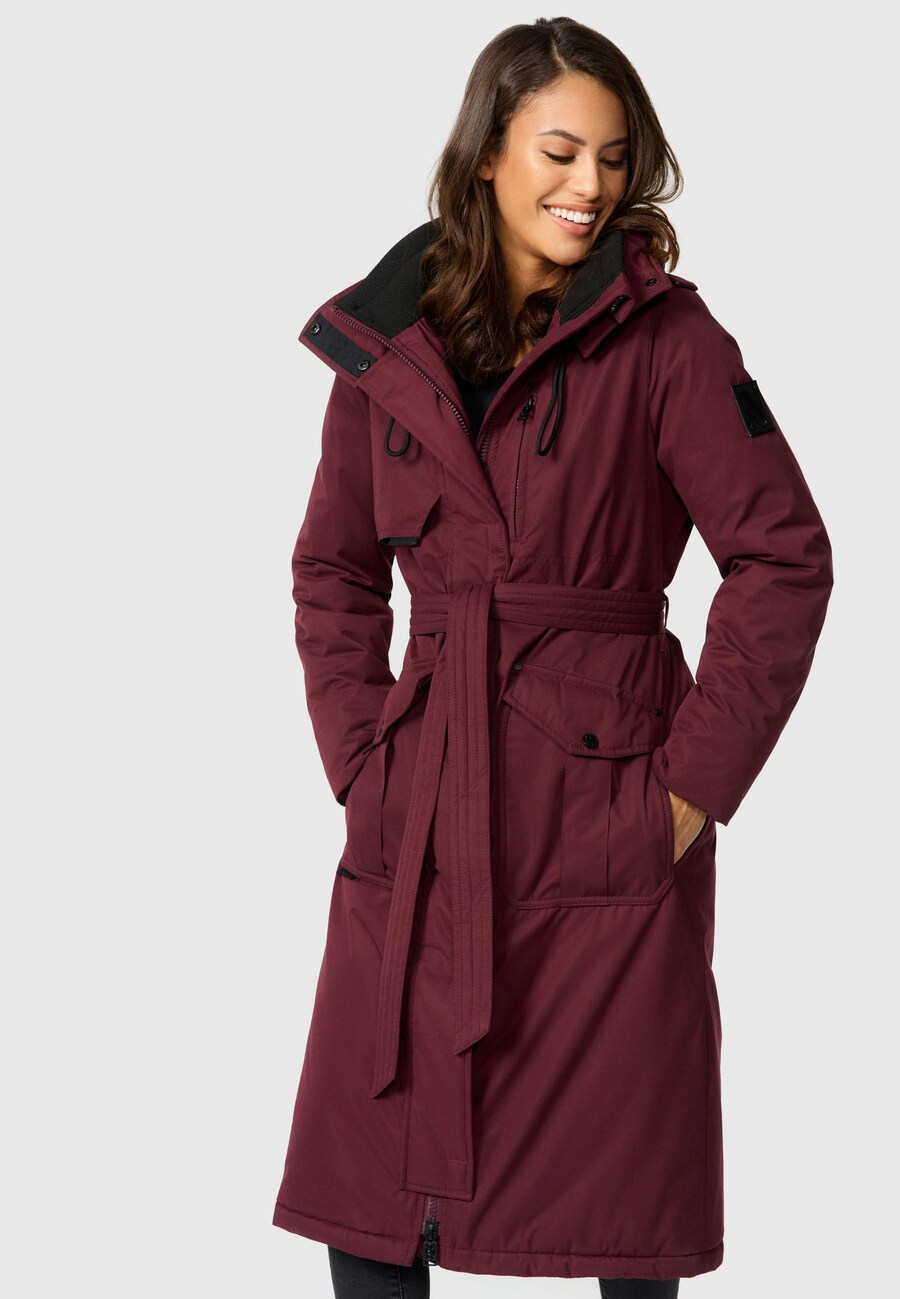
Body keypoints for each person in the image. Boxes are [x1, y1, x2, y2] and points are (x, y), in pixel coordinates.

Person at [272, 17, 834, 1296]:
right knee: (374, 1208)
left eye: (614, 158)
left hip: (608, 812)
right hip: (418, 815)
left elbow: (784, 559)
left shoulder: (671, 344)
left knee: (622, 1212)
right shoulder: (386, 349)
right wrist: (361, 759)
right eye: (561, 151)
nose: (591, 185)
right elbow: (333, 571)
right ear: (488, 153)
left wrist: (690, 792)